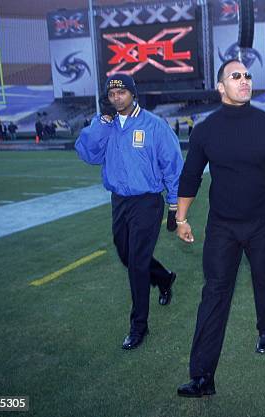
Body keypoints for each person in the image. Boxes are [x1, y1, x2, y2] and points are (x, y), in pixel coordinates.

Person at [175, 59, 265, 397]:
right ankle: (202, 377)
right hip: (221, 226)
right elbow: (190, 177)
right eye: (236, 76)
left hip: (262, 222)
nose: (244, 80)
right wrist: (181, 218)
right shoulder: (204, 130)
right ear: (221, 87)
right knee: (215, 293)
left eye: (247, 75)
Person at [75, 73, 183, 350]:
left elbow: (172, 166)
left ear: (133, 94)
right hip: (119, 201)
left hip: (147, 201)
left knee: (136, 263)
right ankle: (163, 277)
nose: (117, 98)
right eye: (112, 95)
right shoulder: (106, 125)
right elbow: (87, 154)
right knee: (126, 254)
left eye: (122, 93)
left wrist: (175, 206)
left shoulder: (154, 126)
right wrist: (100, 124)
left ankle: (139, 326)